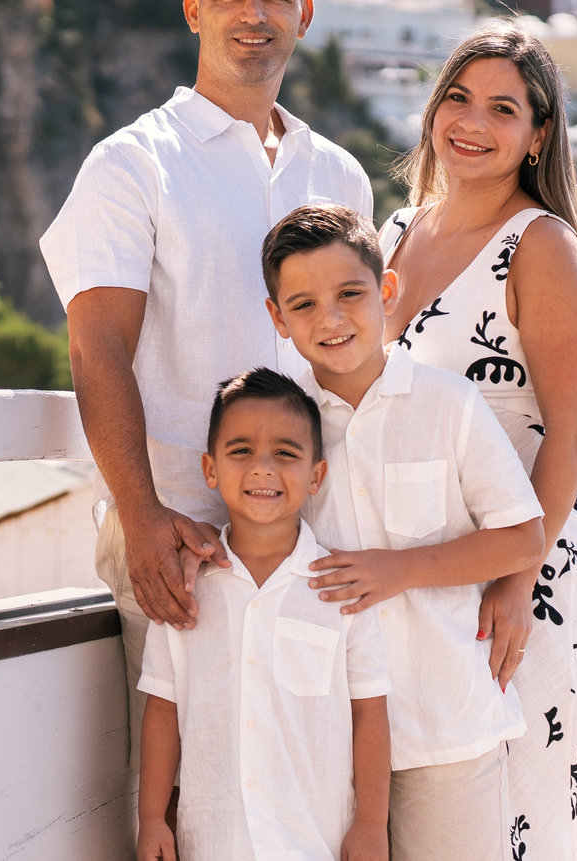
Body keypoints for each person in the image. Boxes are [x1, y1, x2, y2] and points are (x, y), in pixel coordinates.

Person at [40, 0, 374, 754]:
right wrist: (141, 513)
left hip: (317, 539)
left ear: (304, 16)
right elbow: (95, 350)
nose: (253, 12)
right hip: (180, 536)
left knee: (307, 779)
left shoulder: (338, 175)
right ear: (194, 10)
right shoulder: (131, 164)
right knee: (186, 784)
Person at [377, 22, 577, 858]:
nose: (471, 121)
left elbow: (574, 427)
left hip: (527, 585)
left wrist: (517, 584)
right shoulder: (392, 232)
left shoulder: (541, 244)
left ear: (538, 134)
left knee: (528, 830)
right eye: (457, 97)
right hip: (420, 578)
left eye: (502, 108)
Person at [262, 202, 546, 860]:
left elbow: (522, 539)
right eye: (303, 305)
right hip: (326, 736)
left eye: (350, 293)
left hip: (445, 727)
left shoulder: (448, 403)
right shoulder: (280, 427)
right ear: (277, 319)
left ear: (387, 290)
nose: (331, 318)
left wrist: (400, 569)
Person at [135, 369, 392, 861]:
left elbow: (370, 714)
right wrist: (151, 818)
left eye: (286, 453)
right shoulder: (184, 591)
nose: (262, 468)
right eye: (241, 450)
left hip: (314, 842)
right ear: (210, 469)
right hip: (215, 842)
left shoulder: (342, 589)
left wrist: (370, 824)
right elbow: (162, 709)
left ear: (316, 475)